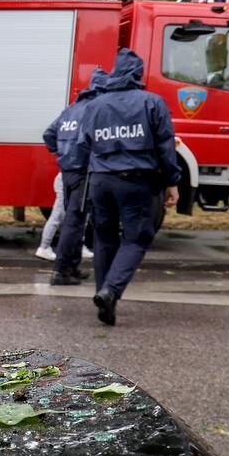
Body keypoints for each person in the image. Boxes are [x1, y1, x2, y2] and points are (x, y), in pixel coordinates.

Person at [81, 48, 180, 325]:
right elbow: (166, 146)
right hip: (137, 181)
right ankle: (110, 291)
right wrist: (172, 182)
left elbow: (83, 143)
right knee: (137, 238)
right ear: (138, 74)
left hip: (100, 180)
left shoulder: (95, 105)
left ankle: (105, 299)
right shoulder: (152, 102)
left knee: (104, 238)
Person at [39, 70, 104, 282]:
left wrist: (63, 153)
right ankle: (61, 271)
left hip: (67, 172)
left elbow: (49, 134)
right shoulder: (95, 109)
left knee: (75, 219)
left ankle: (73, 268)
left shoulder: (72, 109)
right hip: (83, 172)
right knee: (74, 222)